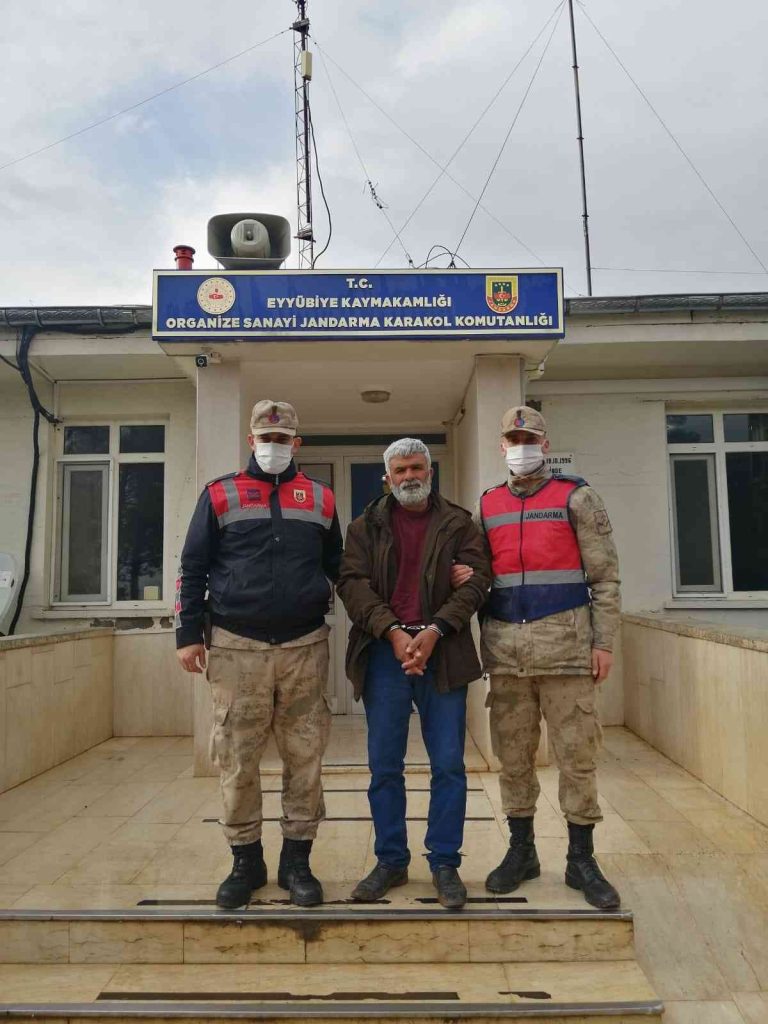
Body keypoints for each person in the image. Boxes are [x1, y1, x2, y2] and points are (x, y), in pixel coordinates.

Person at [175, 400, 342, 909]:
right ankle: (245, 861)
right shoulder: (220, 494)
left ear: (298, 443)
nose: (274, 447)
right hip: (235, 646)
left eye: (283, 438)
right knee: (237, 757)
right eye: (265, 438)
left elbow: (339, 565)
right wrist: (187, 633)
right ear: (251, 441)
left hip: (304, 647)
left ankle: (297, 862)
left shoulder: (320, 498)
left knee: (305, 757)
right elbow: (193, 564)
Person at [452, 405, 621, 909]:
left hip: (567, 651)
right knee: (513, 756)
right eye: (512, 438)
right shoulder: (487, 505)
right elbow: (480, 572)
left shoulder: (576, 497)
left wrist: (604, 642)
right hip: (506, 655)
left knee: (577, 757)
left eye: (529, 437)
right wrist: (465, 577)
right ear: (502, 446)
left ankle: (581, 859)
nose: (521, 445)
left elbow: (605, 577)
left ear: (544, 445)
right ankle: (521, 850)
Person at [337, 438, 491, 909]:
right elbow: (352, 584)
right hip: (384, 654)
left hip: (443, 653)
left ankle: (445, 863)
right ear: (387, 477)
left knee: (448, 765)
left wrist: (436, 630)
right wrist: (394, 633)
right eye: (400, 470)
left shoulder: (458, 522)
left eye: (417, 467)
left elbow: (480, 579)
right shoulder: (365, 526)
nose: (409, 476)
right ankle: (391, 861)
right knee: (385, 766)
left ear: (431, 471)